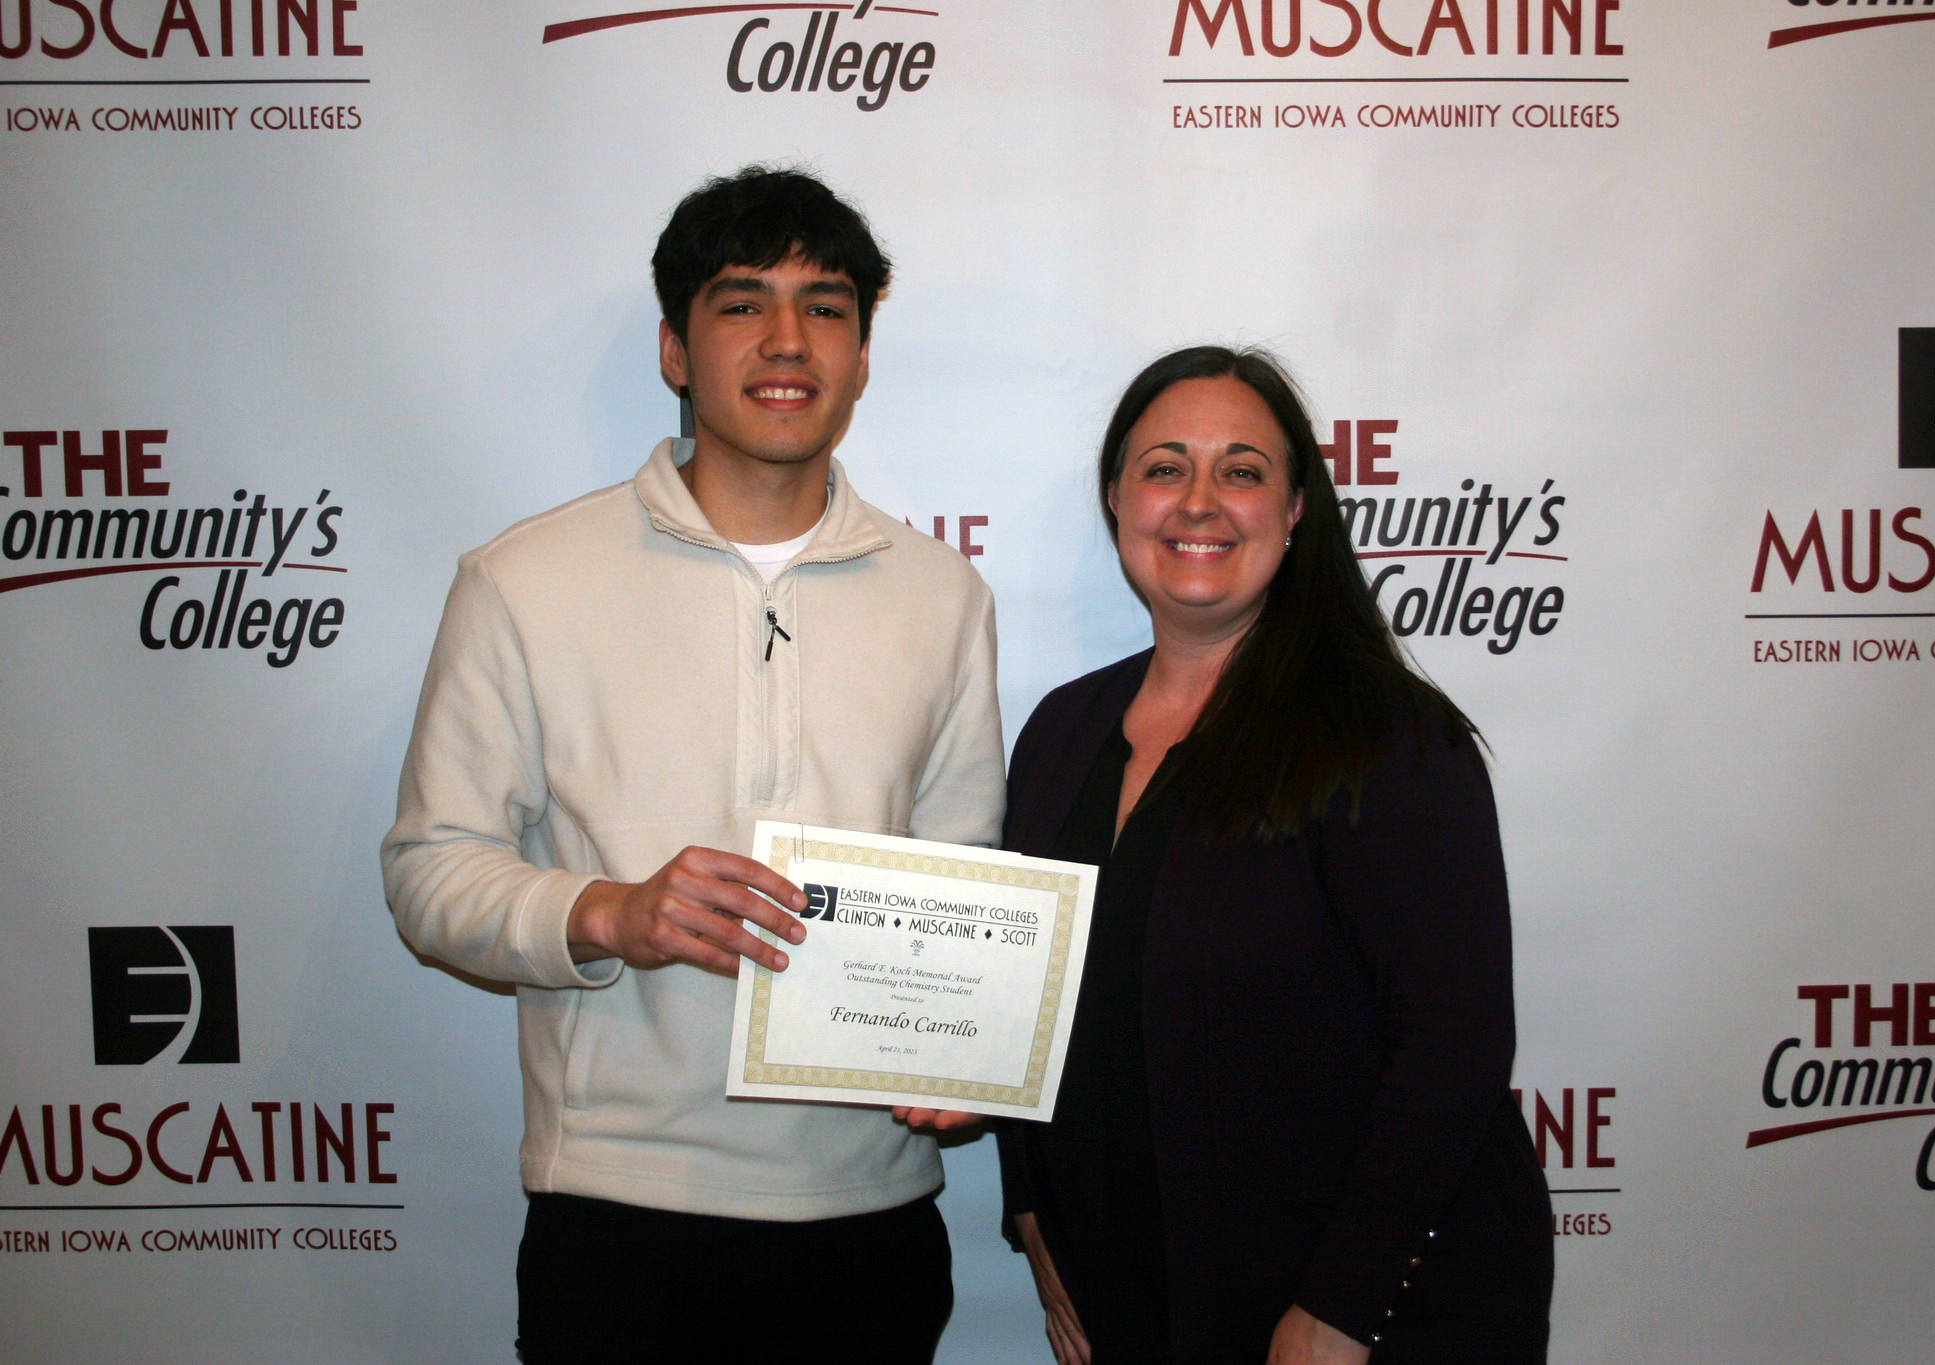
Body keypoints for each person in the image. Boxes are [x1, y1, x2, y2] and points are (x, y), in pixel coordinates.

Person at [380, 166, 1004, 1363]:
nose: (786, 340)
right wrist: (611, 911)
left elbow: (957, 877)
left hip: (871, 1221)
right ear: (674, 348)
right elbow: (426, 872)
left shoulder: (945, 599)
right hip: (619, 1220)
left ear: (864, 353)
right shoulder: (523, 581)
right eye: (741, 303)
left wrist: (960, 1049)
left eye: (825, 307)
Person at [995, 346, 1552, 1364]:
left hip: (1358, 1315)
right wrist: (1031, 1211)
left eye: (1240, 471)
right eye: (1164, 467)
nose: (1198, 502)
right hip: (1137, 1292)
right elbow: (1013, 997)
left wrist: (1341, 1308)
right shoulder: (1061, 734)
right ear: (1116, 497)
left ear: (1294, 510)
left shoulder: (1383, 736)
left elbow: (1453, 1046)